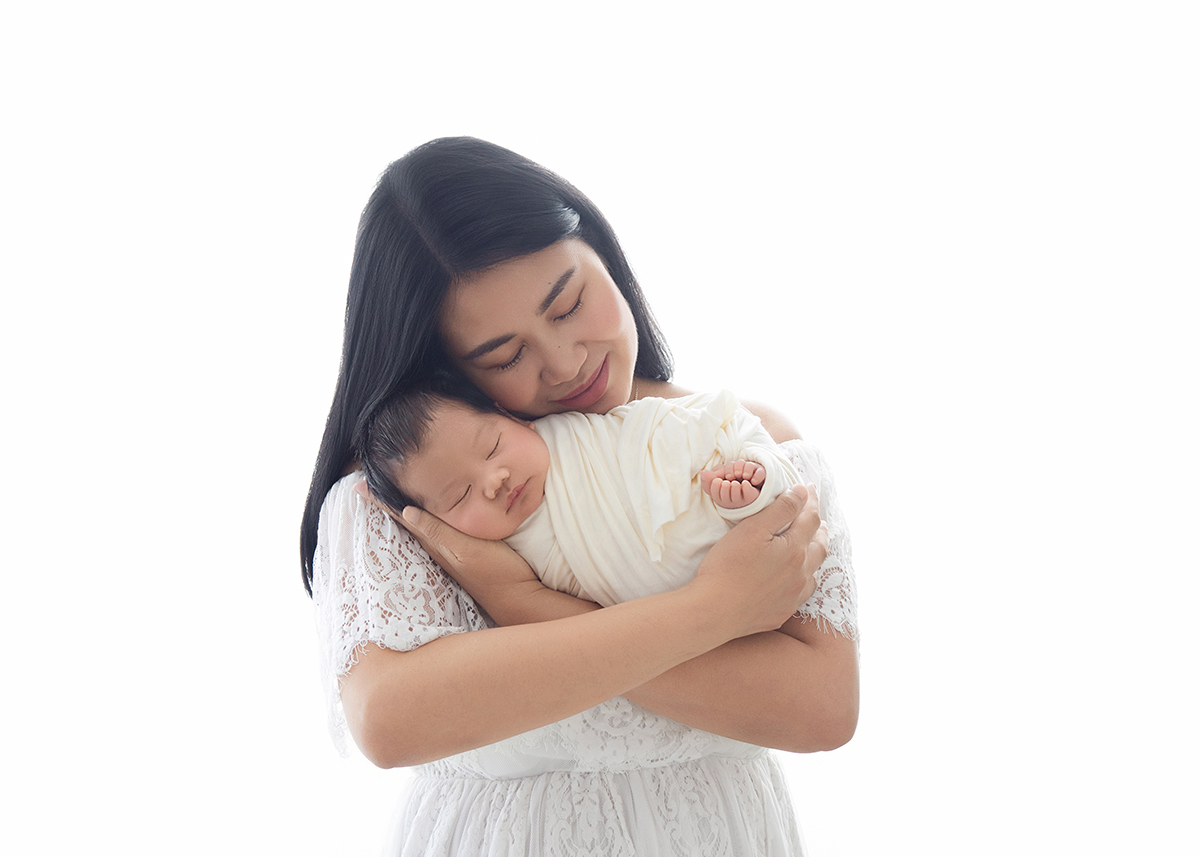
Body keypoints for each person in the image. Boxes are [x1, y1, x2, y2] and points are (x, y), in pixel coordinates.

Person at [301, 136, 860, 856]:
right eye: (505, 355)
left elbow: (822, 707)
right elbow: (391, 717)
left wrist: (526, 606)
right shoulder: (428, 492)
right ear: (445, 372)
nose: (565, 363)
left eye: (568, 305)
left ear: (600, 248)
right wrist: (716, 609)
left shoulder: (740, 438)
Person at [358, 386, 847, 616]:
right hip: (683, 595)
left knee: (742, 468)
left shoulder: (576, 431)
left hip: (699, 481)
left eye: (492, 446)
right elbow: (593, 610)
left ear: (515, 418)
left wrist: (718, 461)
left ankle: (749, 489)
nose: (494, 481)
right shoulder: (513, 556)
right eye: (460, 495)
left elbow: (657, 427)